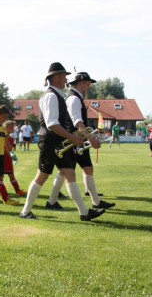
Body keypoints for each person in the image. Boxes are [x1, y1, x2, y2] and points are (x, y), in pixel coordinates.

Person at [19, 62, 106, 221]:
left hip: (56, 141)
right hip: (50, 141)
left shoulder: (57, 95)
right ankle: (25, 211)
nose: (66, 79)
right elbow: (52, 124)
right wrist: (72, 137)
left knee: (70, 174)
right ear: (56, 77)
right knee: (42, 176)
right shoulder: (51, 96)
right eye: (64, 76)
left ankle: (84, 212)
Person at [45, 72, 115, 211]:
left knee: (85, 169)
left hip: (78, 139)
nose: (88, 87)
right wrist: (91, 138)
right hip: (75, 139)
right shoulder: (73, 99)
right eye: (87, 84)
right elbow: (78, 122)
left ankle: (95, 201)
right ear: (81, 83)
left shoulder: (75, 97)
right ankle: (53, 201)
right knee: (66, 171)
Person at [3, 120, 27, 196]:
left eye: (13, 128)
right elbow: (4, 148)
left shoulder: (11, 137)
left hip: (8, 158)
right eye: (11, 128)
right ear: (5, 127)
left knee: (11, 175)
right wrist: (11, 155)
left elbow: (10, 148)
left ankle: (18, 191)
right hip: (2, 158)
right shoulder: (2, 137)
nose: (12, 130)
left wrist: (12, 155)